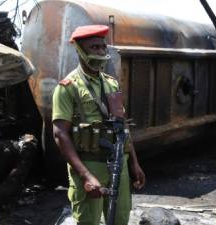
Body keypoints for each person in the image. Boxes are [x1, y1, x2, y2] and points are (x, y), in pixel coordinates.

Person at [52, 25, 146, 225]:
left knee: (120, 219)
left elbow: (123, 128)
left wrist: (134, 163)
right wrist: (85, 176)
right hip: (89, 165)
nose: (101, 52)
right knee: (88, 222)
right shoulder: (68, 87)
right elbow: (60, 134)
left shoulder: (111, 83)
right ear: (80, 50)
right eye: (94, 47)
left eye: (103, 47)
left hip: (119, 164)